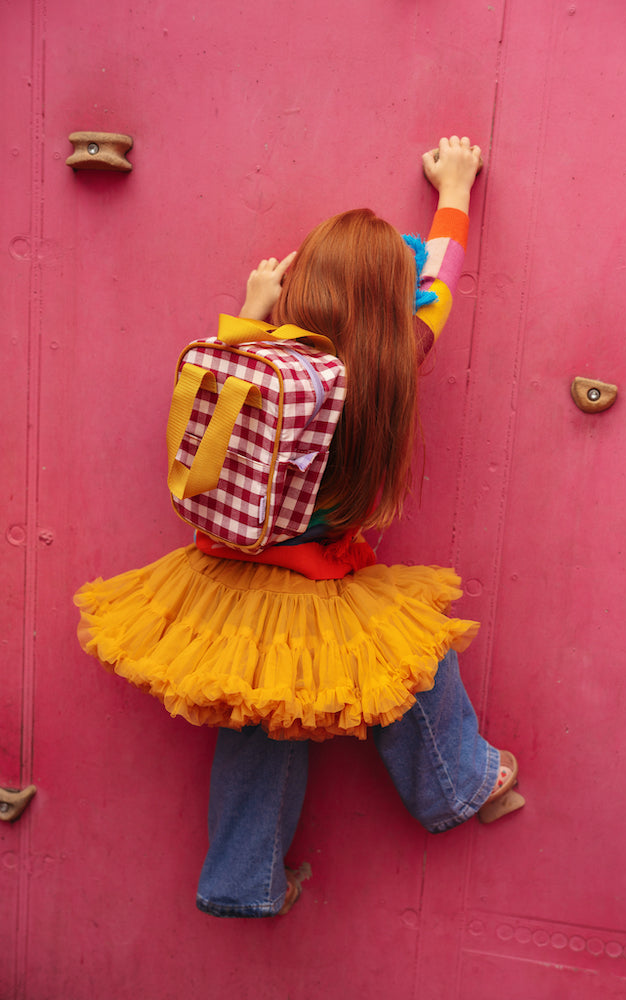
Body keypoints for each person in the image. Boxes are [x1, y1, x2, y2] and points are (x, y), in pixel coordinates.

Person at [75, 135, 524, 919]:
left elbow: (209, 397)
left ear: (300, 286)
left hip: (229, 580)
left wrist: (250, 308)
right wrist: (453, 190)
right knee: (411, 662)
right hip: (319, 580)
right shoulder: (394, 362)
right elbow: (437, 282)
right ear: (392, 303)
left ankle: (240, 883)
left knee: (262, 724)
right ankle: (462, 783)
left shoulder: (264, 359)